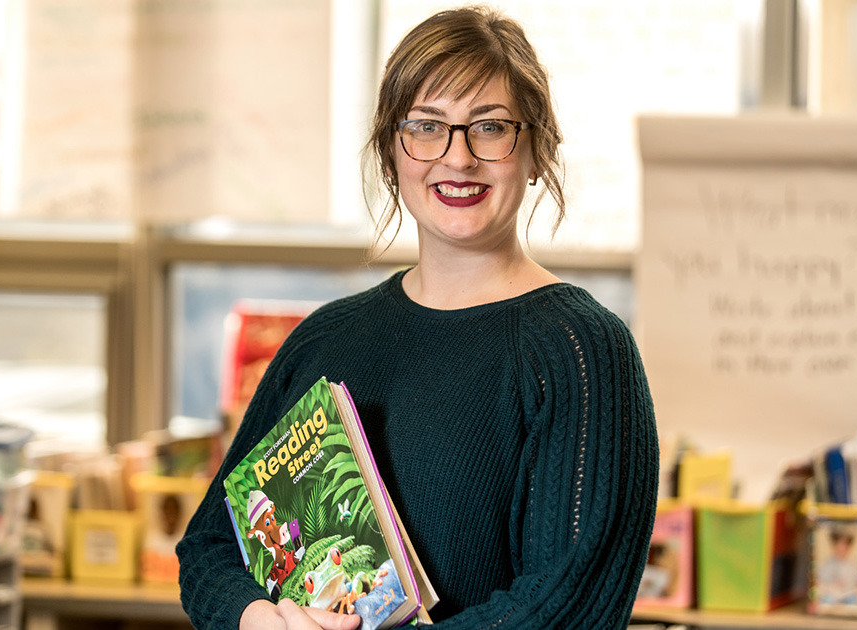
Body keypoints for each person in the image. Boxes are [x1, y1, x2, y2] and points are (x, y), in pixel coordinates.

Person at [177, 6, 658, 629]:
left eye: (489, 128)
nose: (458, 158)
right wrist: (259, 619)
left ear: (537, 151)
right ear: (391, 154)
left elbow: (566, 607)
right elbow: (211, 546)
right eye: (427, 127)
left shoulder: (581, 352)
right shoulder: (324, 340)